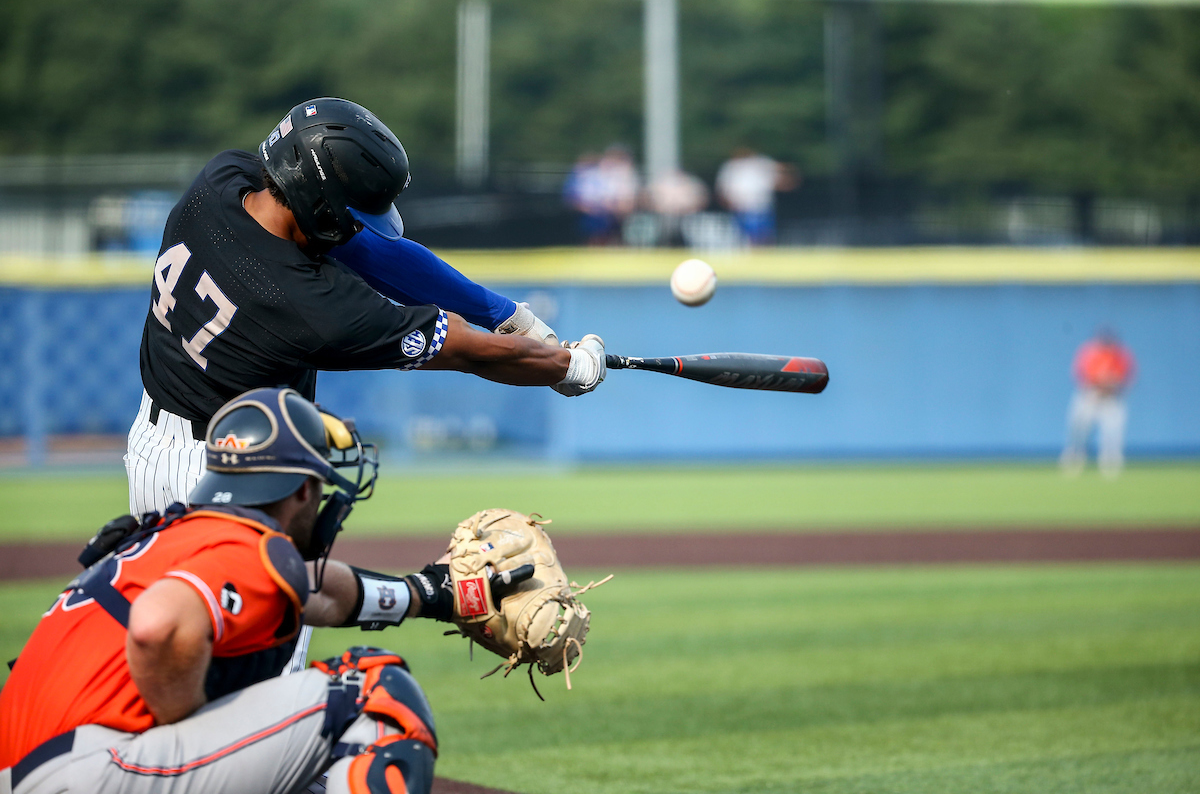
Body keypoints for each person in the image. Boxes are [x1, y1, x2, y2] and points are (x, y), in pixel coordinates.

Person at [1, 388, 508, 794]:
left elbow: (317, 593)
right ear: (303, 489)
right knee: (372, 693)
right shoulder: (243, 545)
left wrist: (432, 593)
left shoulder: (176, 535)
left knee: (305, 773)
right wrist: (185, 724)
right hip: (89, 770)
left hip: (36, 766)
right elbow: (157, 625)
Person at [127, 97, 605, 519]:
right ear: (319, 206)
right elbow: (466, 350)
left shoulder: (221, 179)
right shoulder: (310, 306)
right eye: (352, 217)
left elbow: (375, 253)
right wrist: (569, 365)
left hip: (156, 446)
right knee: (266, 597)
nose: (356, 228)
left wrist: (505, 315)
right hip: (231, 469)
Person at [1060, 329, 1136, 478]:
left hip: (1112, 398)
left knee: (1112, 433)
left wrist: (1111, 385)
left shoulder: (1120, 355)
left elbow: (1127, 378)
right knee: (1078, 430)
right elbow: (1081, 375)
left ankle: (1111, 464)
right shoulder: (1089, 352)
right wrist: (1100, 384)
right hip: (1091, 395)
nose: (1106, 345)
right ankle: (1073, 460)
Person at [714, 147, 798, 246]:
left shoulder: (760, 162)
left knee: (763, 231)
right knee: (743, 232)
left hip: (760, 204)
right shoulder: (731, 166)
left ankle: (764, 248)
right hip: (740, 205)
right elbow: (723, 186)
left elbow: (781, 171)